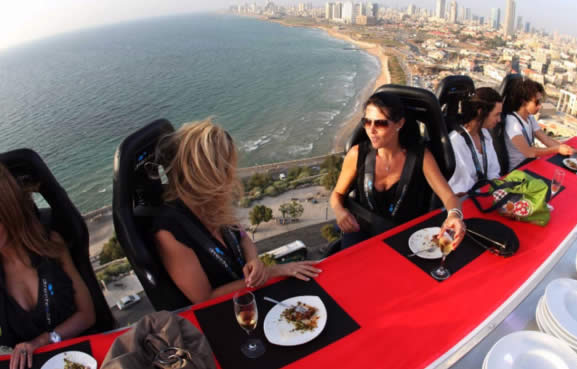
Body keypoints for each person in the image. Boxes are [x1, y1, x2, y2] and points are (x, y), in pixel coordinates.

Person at [152, 119, 321, 305]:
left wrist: (253, 260)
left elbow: (241, 236)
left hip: (249, 296)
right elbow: (204, 298)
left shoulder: (211, 203)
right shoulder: (170, 232)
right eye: (224, 167)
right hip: (226, 310)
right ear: (204, 172)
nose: (230, 172)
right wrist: (273, 271)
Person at [330, 92, 466, 249]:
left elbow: (449, 197)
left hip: (405, 239)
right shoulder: (356, 154)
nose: (371, 130)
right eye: (367, 122)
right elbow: (337, 194)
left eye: (380, 123)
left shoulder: (421, 157)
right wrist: (339, 211)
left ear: (399, 123)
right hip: (361, 235)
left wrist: (455, 215)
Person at [0, 163, 95, 369]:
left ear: (8, 209)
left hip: (80, 359)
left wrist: (41, 341)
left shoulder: (51, 245)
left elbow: (87, 315)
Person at [503, 78, 574, 171]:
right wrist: (557, 149)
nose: (540, 106)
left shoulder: (529, 117)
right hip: (518, 170)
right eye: (537, 102)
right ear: (524, 102)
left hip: (530, 164)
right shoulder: (512, 122)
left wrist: (571, 151)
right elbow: (528, 151)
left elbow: (546, 139)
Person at [448, 88, 503, 195]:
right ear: (480, 112)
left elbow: (494, 172)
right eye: (496, 114)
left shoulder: (485, 135)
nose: (499, 119)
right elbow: (461, 189)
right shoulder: (456, 142)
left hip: (486, 194)